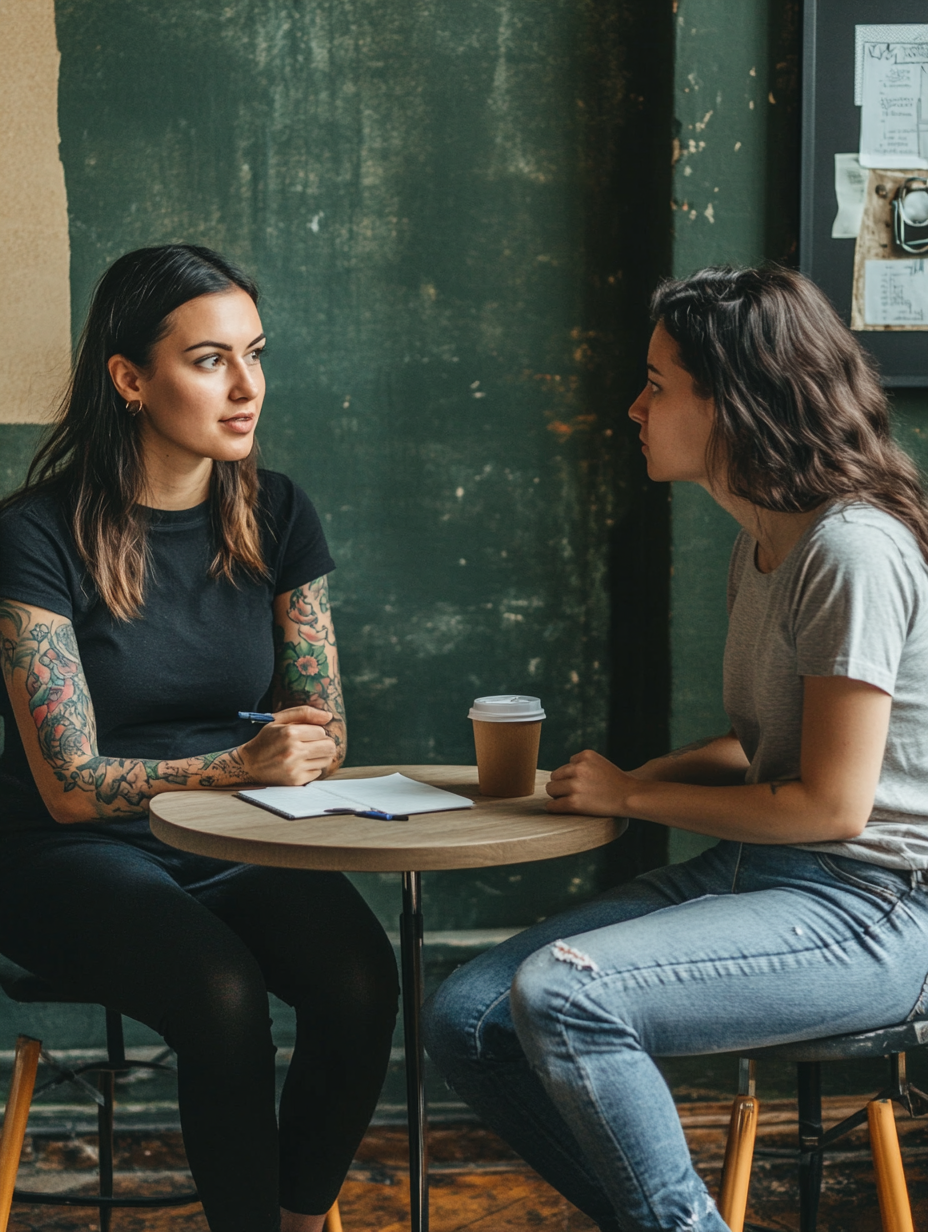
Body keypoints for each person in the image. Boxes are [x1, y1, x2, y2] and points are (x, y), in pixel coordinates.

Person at [422, 266, 928, 1232]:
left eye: (658, 383)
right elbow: (758, 749)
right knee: (468, 1016)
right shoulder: (765, 539)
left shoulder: (848, 550)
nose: (634, 405)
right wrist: (632, 781)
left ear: (737, 402)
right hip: (766, 871)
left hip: (878, 908)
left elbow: (831, 806)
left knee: (564, 996)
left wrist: (635, 799)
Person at [0, 244, 398, 1232]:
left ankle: (294, 1220)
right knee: (220, 989)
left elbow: (324, 717)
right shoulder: (33, 535)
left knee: (359, 975)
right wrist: (234, 761)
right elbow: (69, 786)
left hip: (234, 834)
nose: (247, 386)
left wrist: (305, 748)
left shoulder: (277, 510)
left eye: (254, 353)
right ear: (131, 378)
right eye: (209, 359)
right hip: (63, 855)